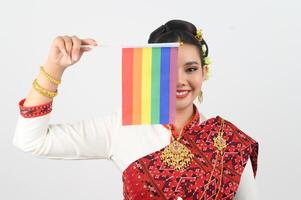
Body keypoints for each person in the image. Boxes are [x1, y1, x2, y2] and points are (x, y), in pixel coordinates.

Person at [13, 19, 259, 200]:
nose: (180, 80)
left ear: (204, 72)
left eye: (191, 69)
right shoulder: (124, 127)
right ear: (150, 73)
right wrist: (54, 68)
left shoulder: (229, 141)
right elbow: (32, 140)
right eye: (167, 69)